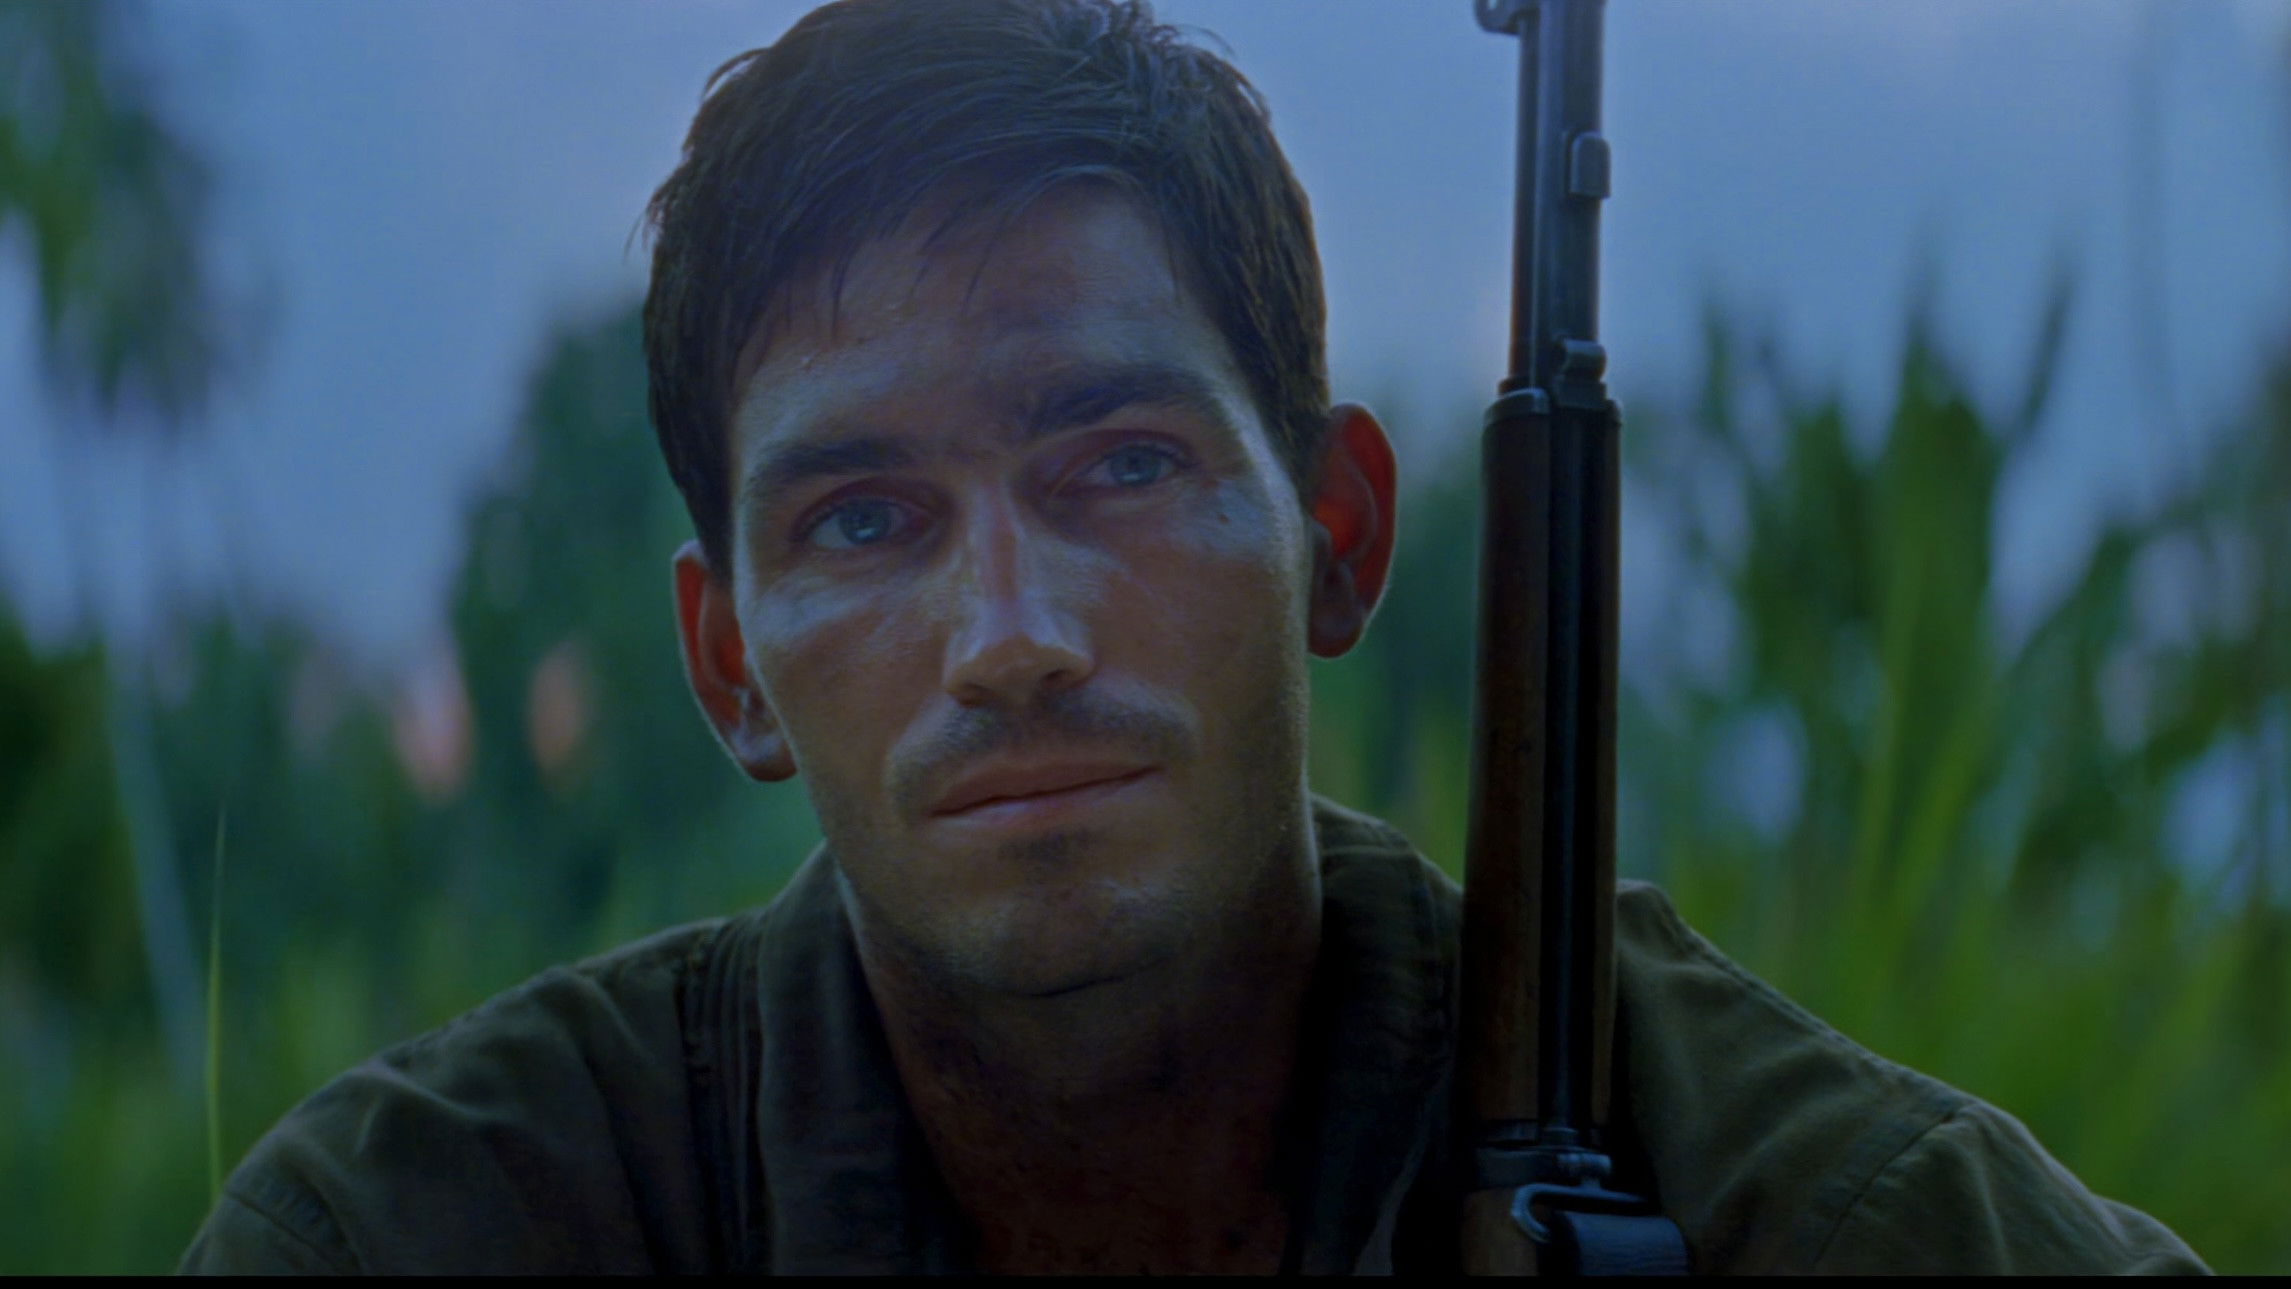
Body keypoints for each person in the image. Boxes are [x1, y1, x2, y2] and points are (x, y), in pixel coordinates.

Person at [180, 0, 2209, 1274]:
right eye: (865, 518)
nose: (1009, 638)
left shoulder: (1794, 1203)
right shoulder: (425, 1227)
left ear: (1338, 535)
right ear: (729, 666)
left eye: (1122, 465)